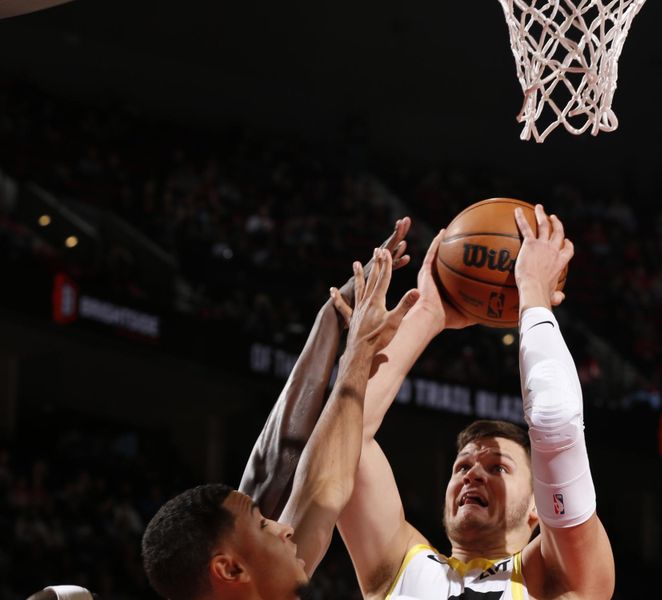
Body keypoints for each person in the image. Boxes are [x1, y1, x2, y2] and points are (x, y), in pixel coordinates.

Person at [333, 204, 615, 599]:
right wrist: (429, 313)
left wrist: (532, 289)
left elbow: (556, 421)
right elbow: (342, 435)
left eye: (498, 468)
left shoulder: (557, 578)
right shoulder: (398, 568)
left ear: (538, 506)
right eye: (462, 465)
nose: (472, 474)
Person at [140, 223, 420, 600]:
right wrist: (354, 347)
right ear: (229, 568)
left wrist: (337, 325)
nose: (284, 527)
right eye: (263, 526)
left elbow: (290, 468)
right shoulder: (265, 571)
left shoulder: (261, 573)